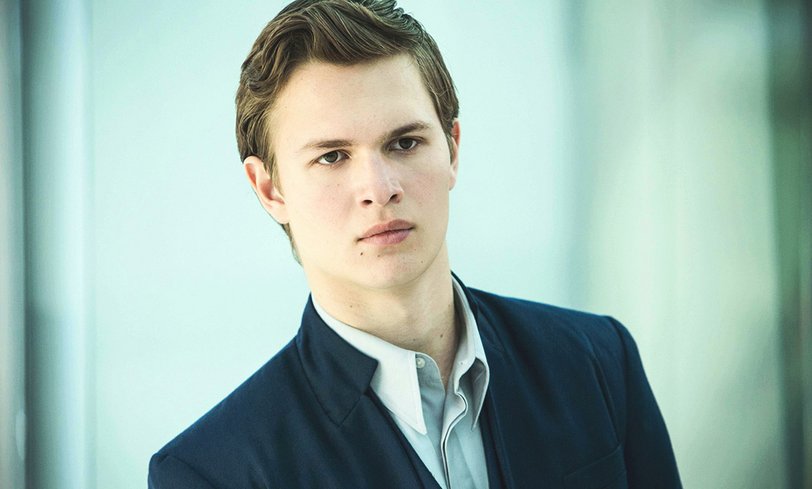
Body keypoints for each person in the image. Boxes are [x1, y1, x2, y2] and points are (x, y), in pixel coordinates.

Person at [148, 0, 682, 487]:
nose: (380, 188)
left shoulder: (597, 362)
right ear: (270, 189)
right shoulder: (213, 473)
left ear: (452, 149)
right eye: (332, 156)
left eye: (405, 143)